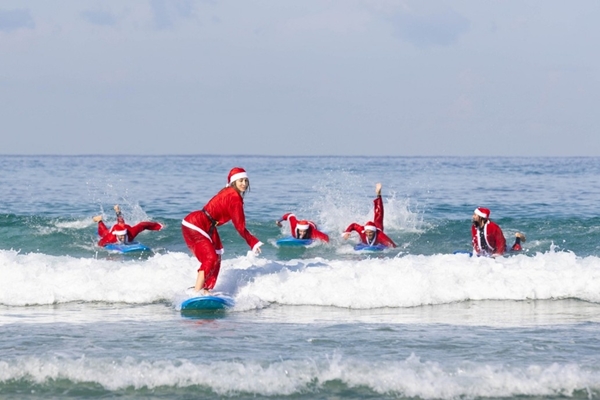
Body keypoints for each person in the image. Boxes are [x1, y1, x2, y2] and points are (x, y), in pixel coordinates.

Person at [182, 167, 263, 294]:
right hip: (197, 223)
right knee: (210, 258)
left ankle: (205, 288)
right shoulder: (234, 197)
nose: (244, 183)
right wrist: (253, 242)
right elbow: (240, 226)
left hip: (204, 224)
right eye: (241, 180)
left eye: (246, 180)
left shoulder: (229, 191)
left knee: (216, 255)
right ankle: (196, 291)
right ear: (234, 182)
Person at [342, 183, 397, 248]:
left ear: (374, 231)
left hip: (378, 227)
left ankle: (379, 195)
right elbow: (353, 225)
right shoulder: (362, 231)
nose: (368, 234)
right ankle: (378, 194)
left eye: (370, 232)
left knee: (379, 214)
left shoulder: (380, 236)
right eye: (367, 232)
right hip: (369, 231)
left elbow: (393, 246)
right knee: (378, 215)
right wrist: (347, 232)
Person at [93, 205, 163, 247]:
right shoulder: (111, 237)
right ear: (117, 235)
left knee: (121, 222)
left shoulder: (131, 233)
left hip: (125, 227)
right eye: (121, 236)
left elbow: (142, 225)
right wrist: (101, 245)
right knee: (103, 233)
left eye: (123, 235)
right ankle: (99, 220)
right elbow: (101, 242)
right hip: (116, 229)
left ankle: (118, 211)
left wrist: (158, 226)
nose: (122, 237)